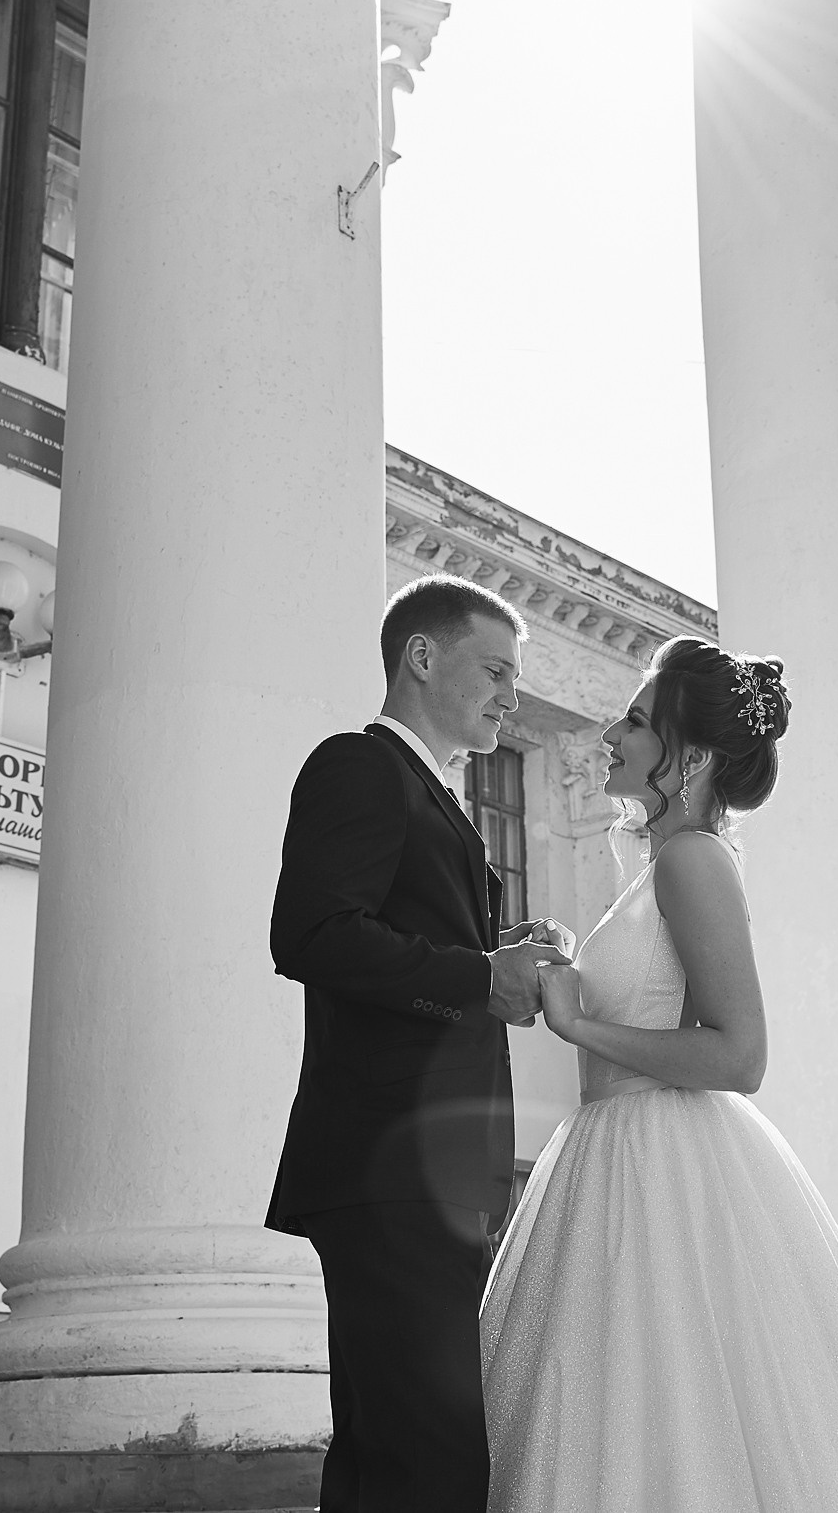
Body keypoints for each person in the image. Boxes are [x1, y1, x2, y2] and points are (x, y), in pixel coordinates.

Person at [480, 638, 838, 1513]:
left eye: (635, 721)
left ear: (696, 756)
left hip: (660, 1167)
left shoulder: (691, 860)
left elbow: (740, 1053)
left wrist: (578, 1019)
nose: (611, 733)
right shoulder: (658, 866)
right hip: (610, 1159)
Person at [268, 574, 571, 1513]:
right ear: (422, 656)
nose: (509, 699)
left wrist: (491, 956)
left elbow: (410, 943)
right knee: (425, 1458)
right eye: (495, 671)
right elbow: (312, 933)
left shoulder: (433, 794)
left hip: (423, 1169)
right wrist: (481, 976)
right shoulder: (358, 765)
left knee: (392, 1454)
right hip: (386, 1162)